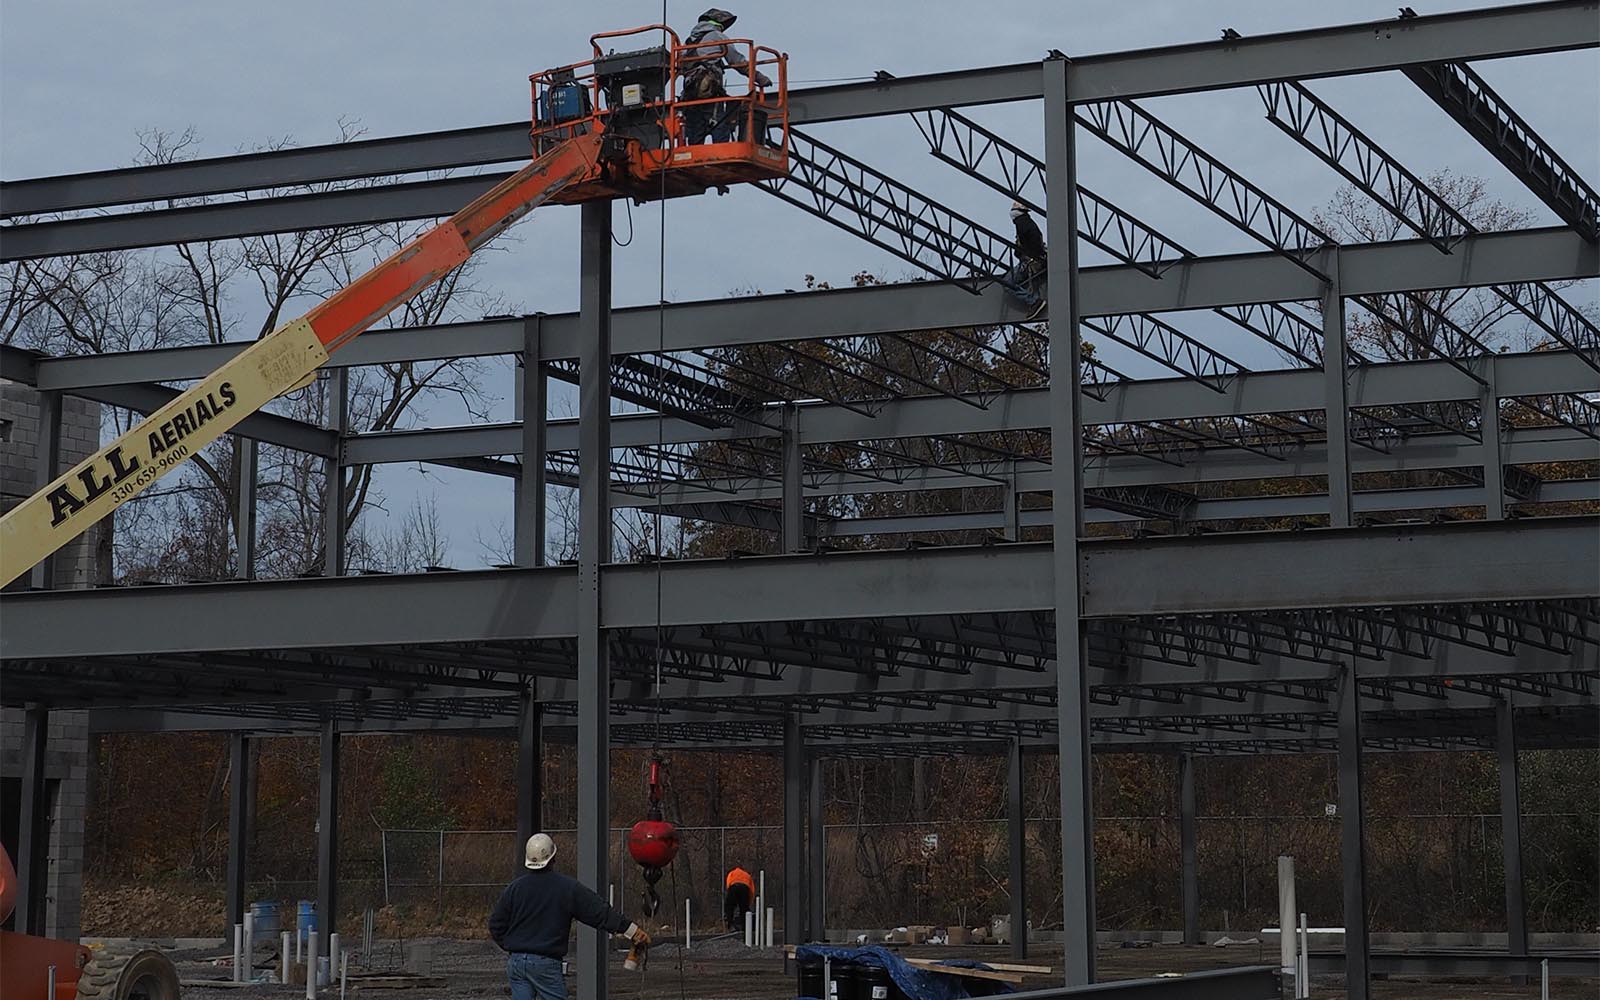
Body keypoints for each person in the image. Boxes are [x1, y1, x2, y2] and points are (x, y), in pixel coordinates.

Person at [490, 833, 651, 1000]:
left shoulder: (515, 888)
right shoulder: (566, 888)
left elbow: (496, 925)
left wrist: (513, 946)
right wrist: (632, 930)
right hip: (546, 962)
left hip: (516, 962)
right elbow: (598, 912)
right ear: (553, 857)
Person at [679, 8, 772, 145]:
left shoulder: (688, 43)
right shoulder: (717, 36)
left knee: (695, 133)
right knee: (719, 127)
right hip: (709, 91)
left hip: (690, 93)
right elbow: (737, 62)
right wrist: (759, 77)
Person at [999, 201, 1048, 319]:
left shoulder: (1022, 223)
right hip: (1036, 260)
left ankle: (1034, 301)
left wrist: (1031, 257)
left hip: (1031, 262)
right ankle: (1034, 299)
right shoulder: (1027, 223)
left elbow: (1033, 243)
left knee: (1007, 283)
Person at [723, 865, 757, 930]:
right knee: (744, 909)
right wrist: (748, 902)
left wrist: (731, 898)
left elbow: (728, 884)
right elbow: (752, 890)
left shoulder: (731, 873)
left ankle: (730, 925)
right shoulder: (747, 875)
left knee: (729, 906)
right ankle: (745, 926)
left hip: (734, 887)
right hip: (745, 888)